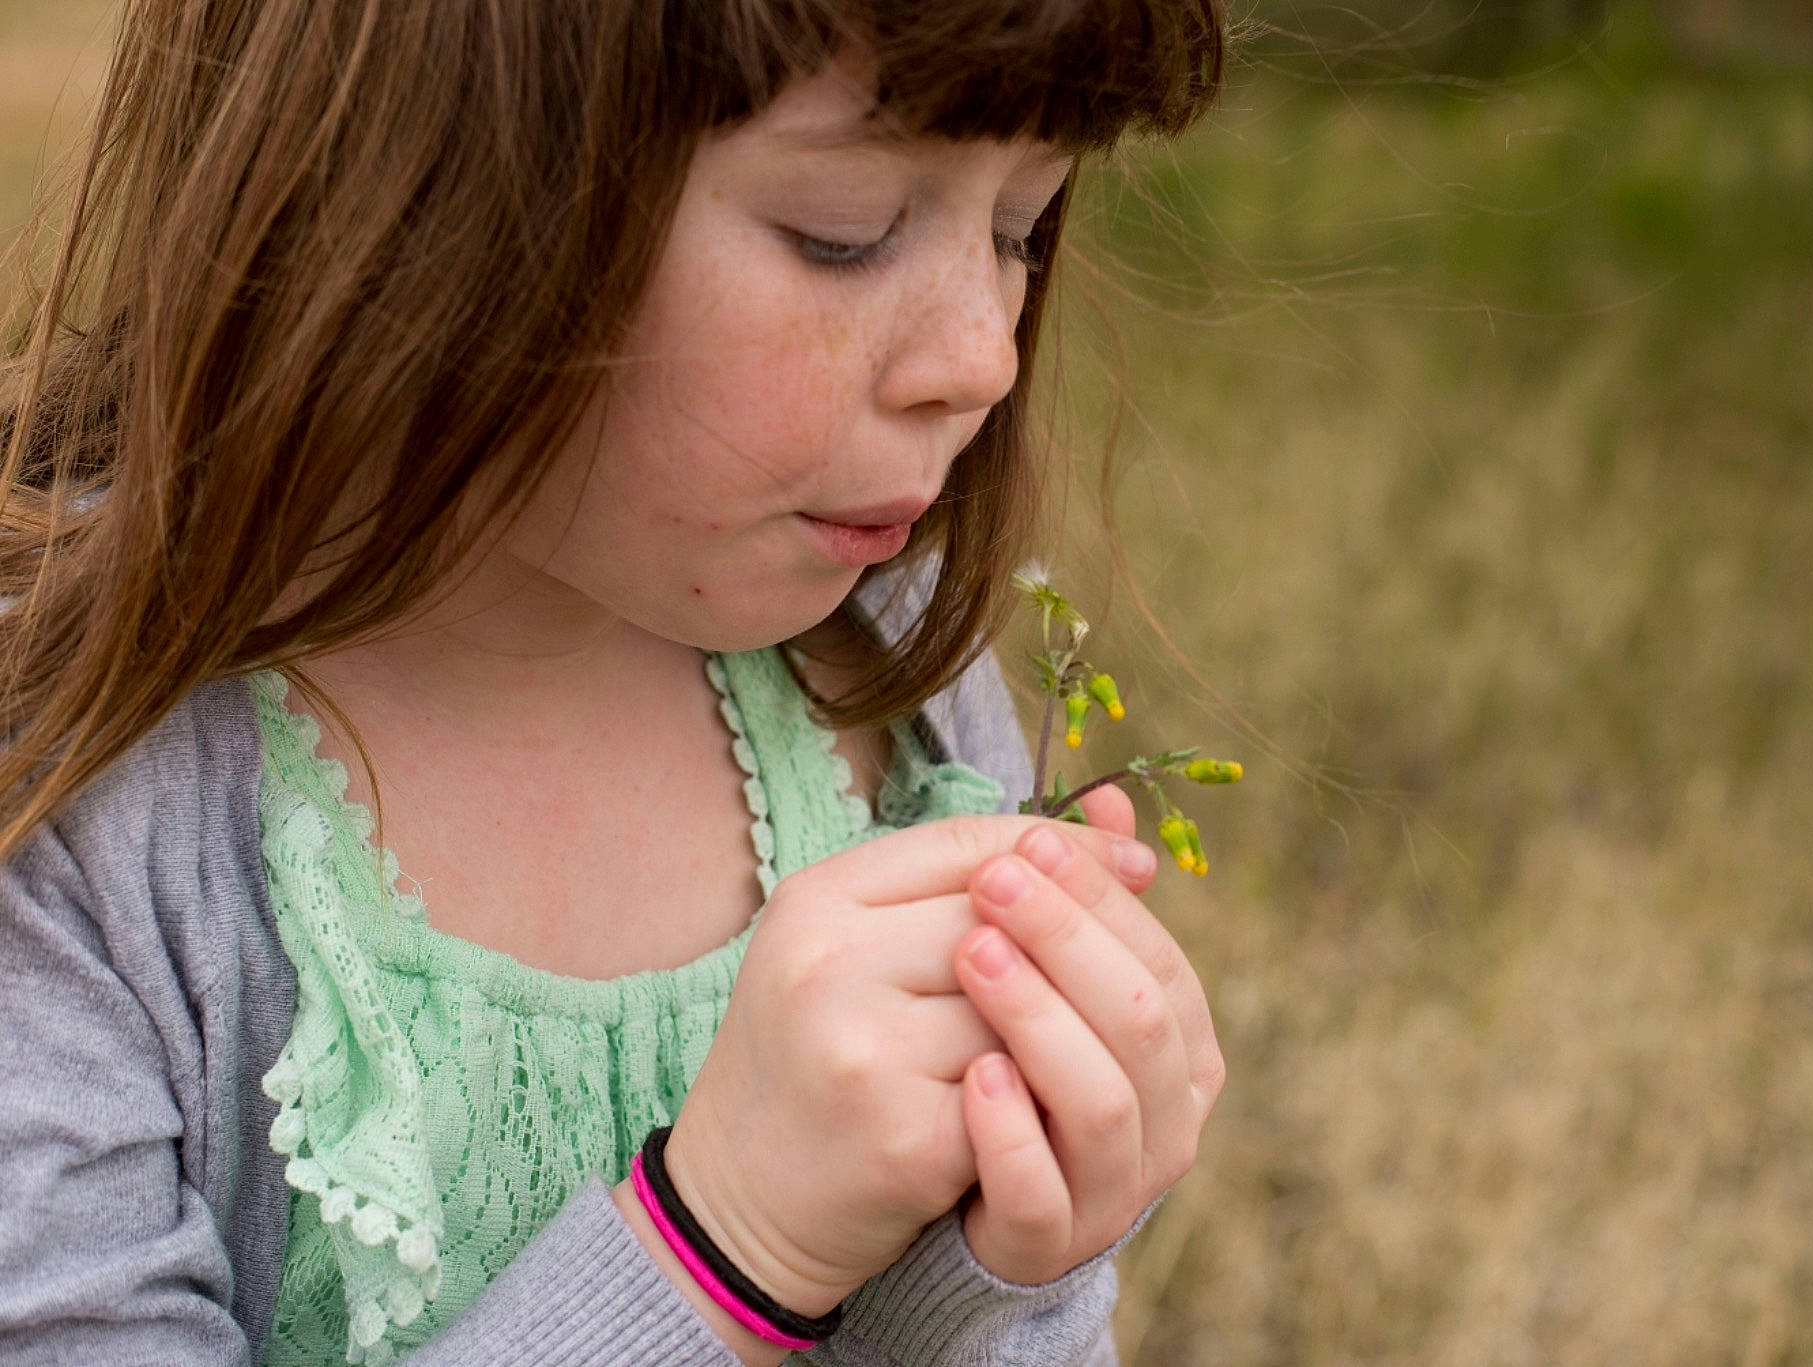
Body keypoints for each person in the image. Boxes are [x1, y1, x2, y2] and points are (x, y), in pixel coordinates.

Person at [0, 0, 1232, 1363]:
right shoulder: (70, 796)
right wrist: (720, 1256)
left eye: (1020, 227)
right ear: (422, 181)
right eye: (844, 231)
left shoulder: (894, 679)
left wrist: (1001, 1263)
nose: (982, 355)